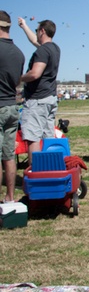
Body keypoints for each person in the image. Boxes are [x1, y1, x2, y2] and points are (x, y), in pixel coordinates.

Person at [18, 17, 61, 167]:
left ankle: (36, 173)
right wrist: (24, 26)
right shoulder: (54, 48)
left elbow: (35, 74)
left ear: (42, 31)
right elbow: (34, 41)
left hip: (37, 100)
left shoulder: (43, 51)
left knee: (33, 139)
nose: (36, 33)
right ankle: (50, 170)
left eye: (37, 31)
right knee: (48, 137)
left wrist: (19, 79)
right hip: (49, 99)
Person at [0, 12, 25, 202]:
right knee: (9, 156)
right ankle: (10, 197)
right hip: (12, 107)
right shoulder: (18, 53)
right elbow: (17, 82)